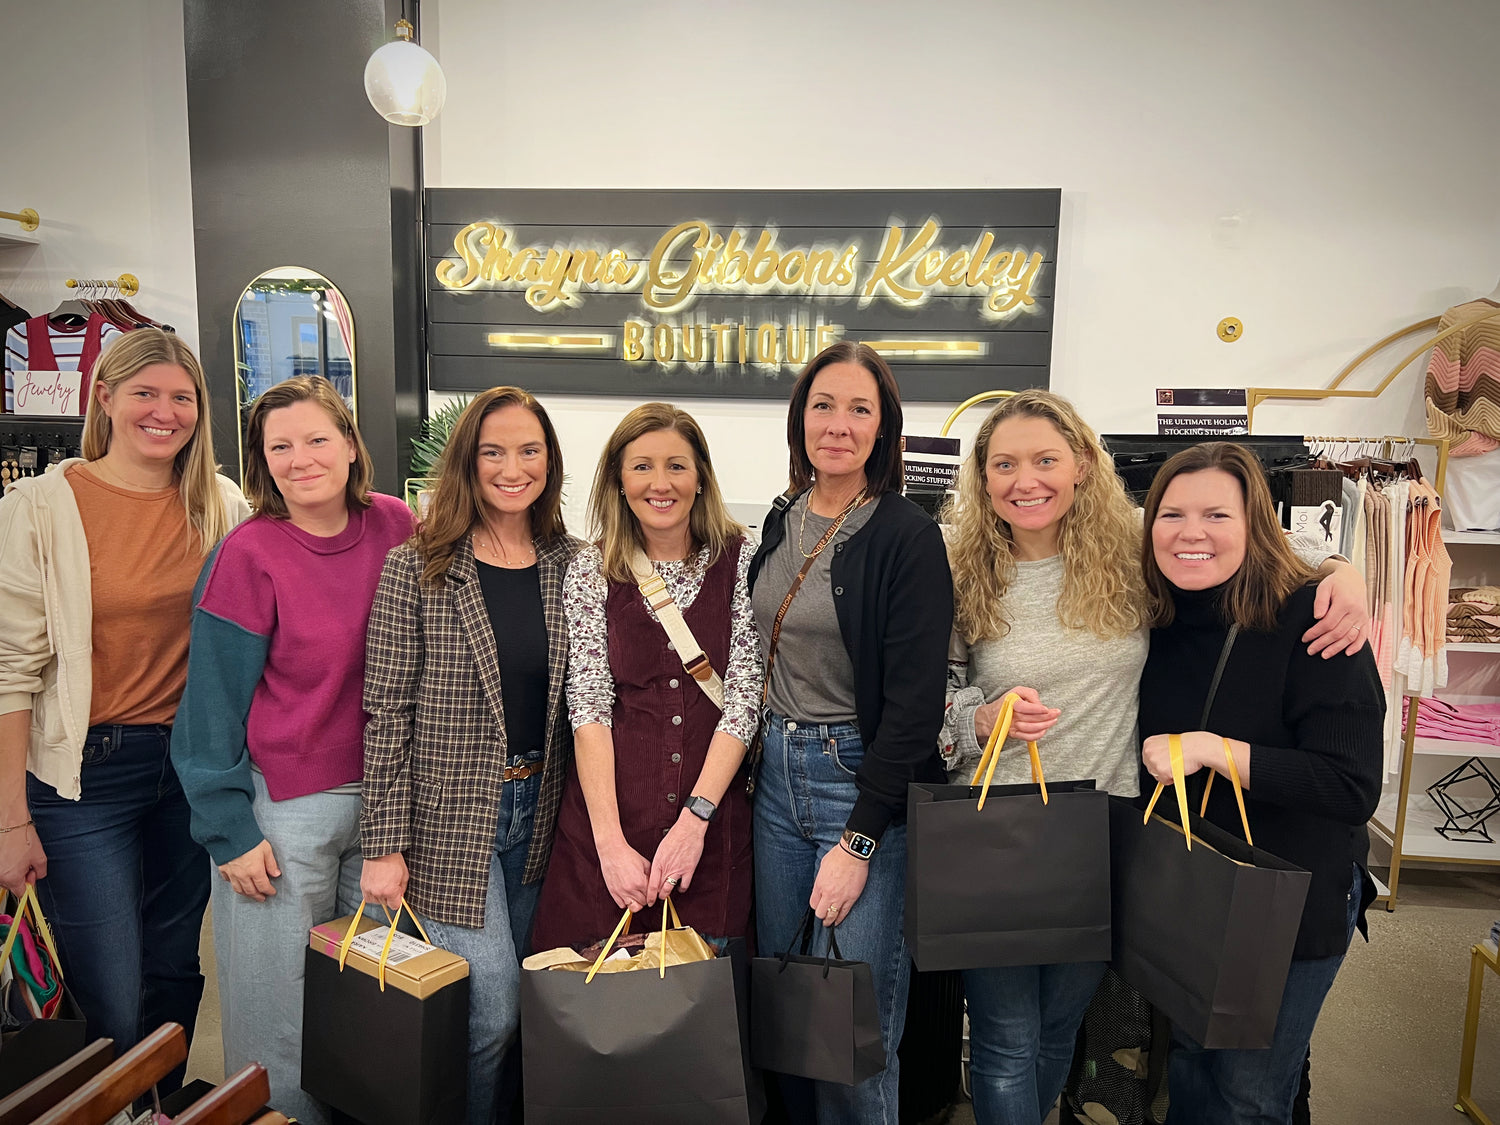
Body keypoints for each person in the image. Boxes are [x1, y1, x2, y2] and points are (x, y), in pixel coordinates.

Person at [941, 392, 1374, 1125]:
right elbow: (934, 700)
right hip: (1000, 830)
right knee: (1007, 1038)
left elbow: (1232, 536)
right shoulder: (956, 565)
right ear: (982, 476)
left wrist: (1345, 570)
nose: (1027, 479)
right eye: (1005, 463)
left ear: (1081, 464)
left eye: (1046, 459)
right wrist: (980, 716)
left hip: (1107, 836)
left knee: (1057, 1031)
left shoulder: (1129, 547)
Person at [0, 328, 248, 1093]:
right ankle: (109, 1107)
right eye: (146, 393)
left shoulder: (221, 502)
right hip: (85, 777)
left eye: (182, 397)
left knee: (175, 958)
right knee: (107, 972)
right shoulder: (40, 504)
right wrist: (10, 819)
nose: (164, 412)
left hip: (191, 768)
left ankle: (165, 1104)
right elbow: (11, 670)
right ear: (104, 397)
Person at [172, 376, 414, 1124]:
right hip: (283, 816)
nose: (300, 458)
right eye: (280, 446)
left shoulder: (396, 524)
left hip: (384, 808)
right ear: (261, 461)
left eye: (316, 439)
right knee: (277, 1026)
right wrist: (228, 831)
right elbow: (209, 705)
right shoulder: (249, 553)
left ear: (350, 443)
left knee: (366, 1015)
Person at [1137, 441, 1383, 1125]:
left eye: (1218, 513)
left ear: (1257, 523)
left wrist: (1215, 751)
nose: (1191, 532)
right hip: (1191, 885)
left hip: (1287, 898)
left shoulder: (1315, 619)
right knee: (1192, 1062)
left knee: (1244, 1093)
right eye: (1172, 513)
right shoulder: (1157, 615)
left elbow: (1350, 784)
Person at [360, 386, 584, 1125]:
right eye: (494, 451)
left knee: (529, 1005)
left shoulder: (572, 564)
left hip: (542, 814)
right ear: (468, 461)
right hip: (451, 820)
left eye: (529, 450)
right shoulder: (417, 566)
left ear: (549, 462)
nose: (512, 467)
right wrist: (384, 842)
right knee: (492, 1010)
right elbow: (385, 711)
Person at [748, 340, 952, 1125]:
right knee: (792, 1014)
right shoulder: (781, 517)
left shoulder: (907, 536)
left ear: (884, 428)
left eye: (858, 408)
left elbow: (913, 708)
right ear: (800, 418)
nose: (837, 423)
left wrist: (860, 838)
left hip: (859, 782)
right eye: (822, 405)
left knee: (853, 1036)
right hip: (775, 779)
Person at [530, 402, 761, 952]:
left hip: (711, 834)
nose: (661, 483)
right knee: (591, 1014)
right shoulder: (591, 569)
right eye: (642, 466)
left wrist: (694, 822)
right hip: (607, 832)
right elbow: (588, 702)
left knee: (702, 1012)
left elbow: (746, 698)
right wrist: (608, 844)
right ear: (619, 480)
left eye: (677, 466)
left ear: (701, 477)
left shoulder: (742, 559)